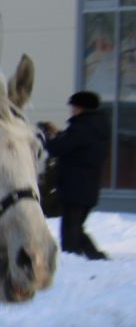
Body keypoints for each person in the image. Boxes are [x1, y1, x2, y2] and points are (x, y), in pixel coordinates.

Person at [48, 90, 110, 260]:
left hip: (76, 187)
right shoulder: (95, 126)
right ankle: (97, 258)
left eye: (74, 107)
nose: (72, 110)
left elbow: (59, 148)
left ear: (82, 108)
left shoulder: (82, 127)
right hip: (85, 187)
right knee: (76, 228)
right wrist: (59, 135)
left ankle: (74, 260)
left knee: (70, 232)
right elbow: (75, 146)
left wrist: (47, 138)